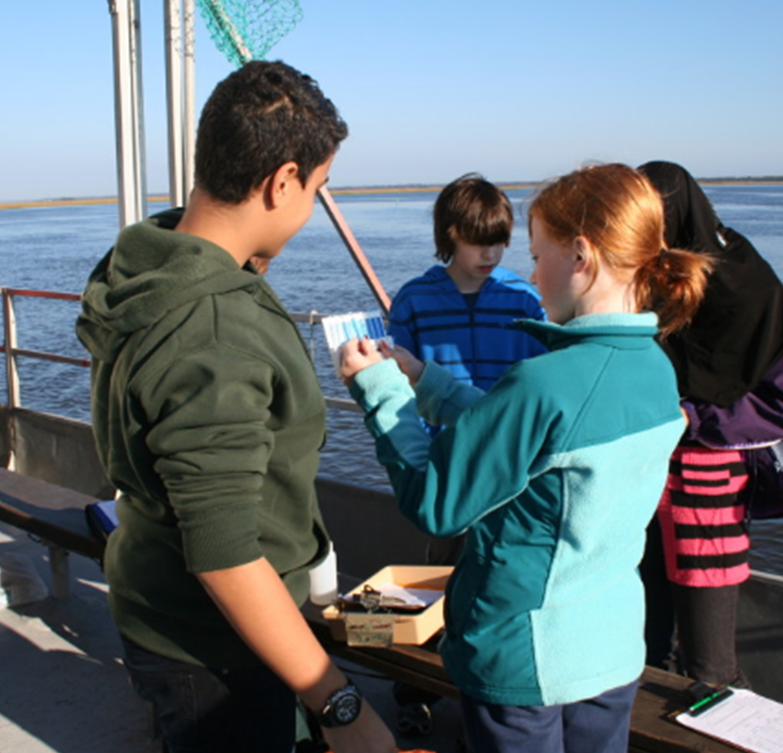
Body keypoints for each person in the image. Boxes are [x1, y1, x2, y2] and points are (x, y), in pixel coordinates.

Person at [75, 60, 396, 753]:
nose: (311, 206)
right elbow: (223, 551)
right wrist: (340, 705)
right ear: (281, 181)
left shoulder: (146, 261)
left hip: (151, 591)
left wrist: (255, 255)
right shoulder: (217, 333)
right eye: (314, 188)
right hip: (216, 645)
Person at [340, 162, 713, 753]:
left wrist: (382, 392)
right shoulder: (655, 371)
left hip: (527, 659)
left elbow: (437, 504)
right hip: (610, 651)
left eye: (539, 255)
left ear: (581, 257)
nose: (532, 276)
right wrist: (427, 379)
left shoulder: (544, 381)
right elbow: (530, 433)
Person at [386, 172, 546, 736]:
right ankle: (416, 684)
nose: (492, 252)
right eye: (480, 239)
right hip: (446, 461)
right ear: (450, 234)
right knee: (440, 570)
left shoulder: (525, 299)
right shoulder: (415, 301)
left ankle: (492, 684)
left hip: (510, 462)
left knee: (502, 574)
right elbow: (394, 384)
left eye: (501, 240)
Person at [637, 160, 783, 687]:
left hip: (709, 486)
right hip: (640, 478)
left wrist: (693, 416)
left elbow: (775, 401)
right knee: (644, 642)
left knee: (710, 660)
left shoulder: (747, 285)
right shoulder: (645, 278)